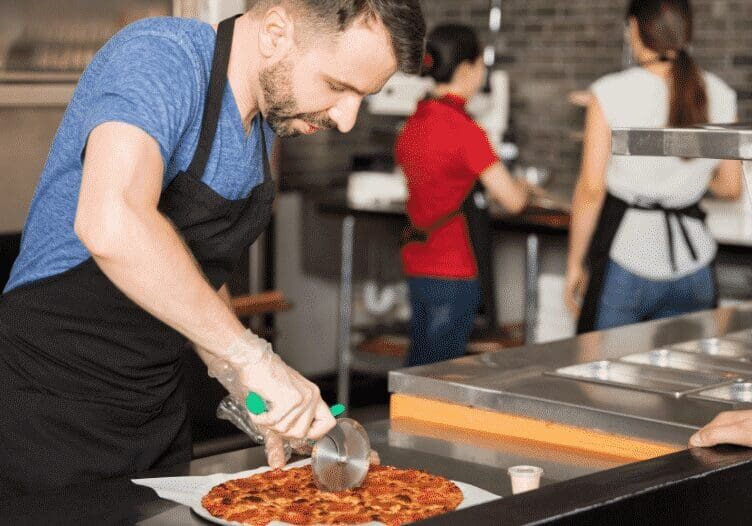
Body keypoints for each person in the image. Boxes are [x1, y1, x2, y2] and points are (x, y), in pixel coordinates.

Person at [0, 0, 425, 496]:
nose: (348, 119)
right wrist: (251, 358)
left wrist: (247, 388)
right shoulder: (163, 58)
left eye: (363, 96)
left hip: (153, 408)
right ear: (274, 32)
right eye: (337, 86)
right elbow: (112, 221)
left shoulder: (265, 122)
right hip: (47, 407)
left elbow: (193, 267)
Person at [565, 0, 742, 333]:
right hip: (696, 266)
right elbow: (731, 188)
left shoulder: (609, 92)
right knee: (683, 380)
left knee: (601, 377)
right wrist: (685, 179)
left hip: (628, 261)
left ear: (634, 28)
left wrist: (575, 264)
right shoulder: (721, 94)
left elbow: (591, 189)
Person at [396, 24, 532, 368]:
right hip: (454, 267)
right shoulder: (464, 130)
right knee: (441, 375)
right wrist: (527, 188)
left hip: (417, 259)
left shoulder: (415, 121)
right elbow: (513, 200)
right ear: (467, 68)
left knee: (419, 366)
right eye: (480, 65)